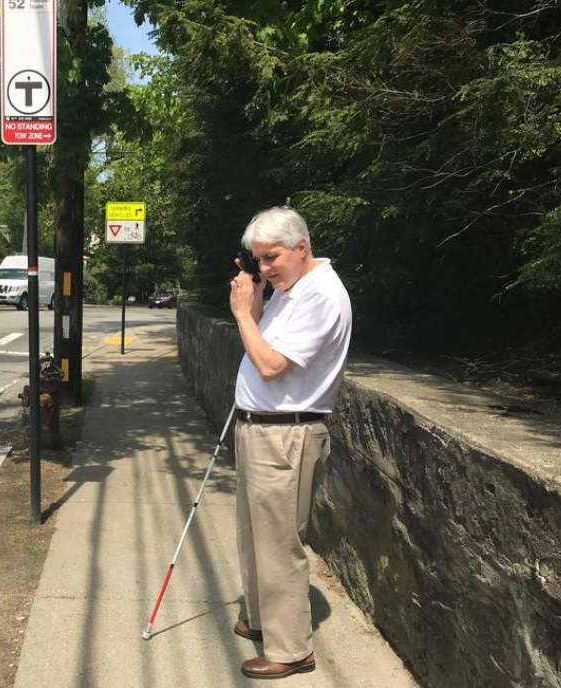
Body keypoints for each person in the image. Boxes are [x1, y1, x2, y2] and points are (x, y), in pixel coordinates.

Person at [227, 205, 352, 680]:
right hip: (262, 428)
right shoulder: (290, 287)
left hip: (287, 434)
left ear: (302, 247)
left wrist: (241, 314)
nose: (265, 268)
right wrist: (254, 302)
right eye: (258, 259)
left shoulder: (320, 295)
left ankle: (290, 648)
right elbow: (262, 340)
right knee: (253, 533)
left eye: (272, 258)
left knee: (279, 541)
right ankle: (263, 619)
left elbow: (272, 365)